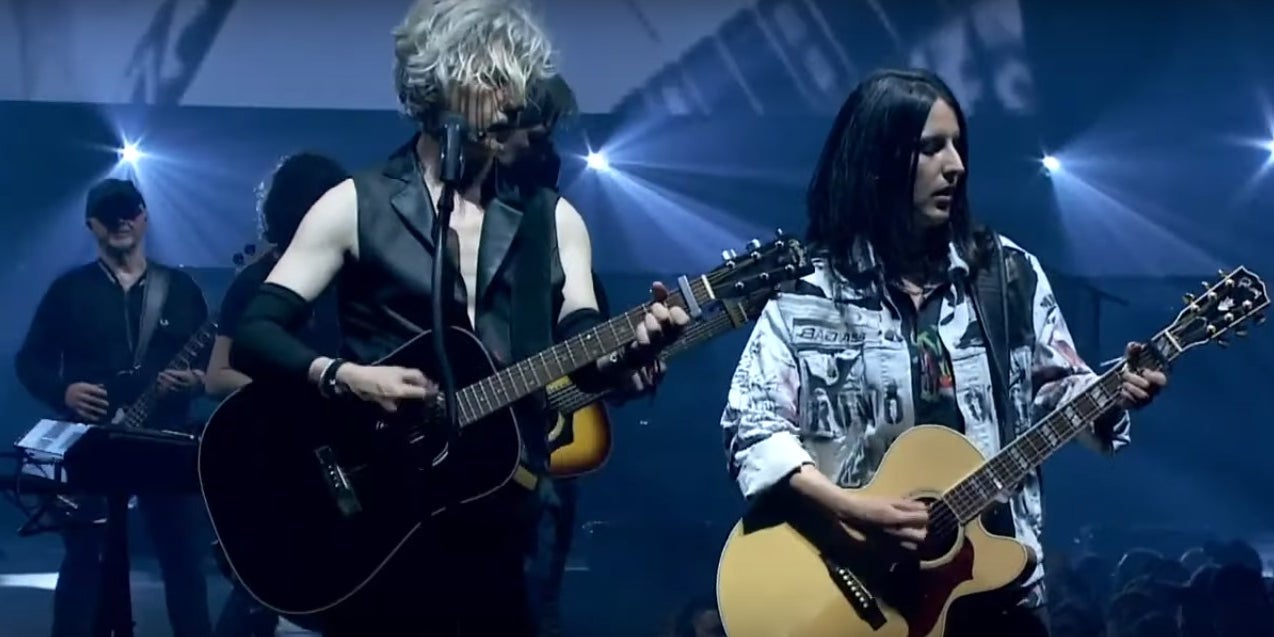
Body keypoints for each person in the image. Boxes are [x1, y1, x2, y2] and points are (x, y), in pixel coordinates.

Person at [228, 1, 689, 634]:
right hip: (380, 518)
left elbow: (582, 334)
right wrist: (345, 376)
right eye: (494, 80)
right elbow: (254, 335)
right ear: (439, 84)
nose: (513, 101)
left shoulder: (552, 219)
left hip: (507, 525)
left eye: (517, 81)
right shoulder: (354, 204)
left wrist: (627, 359)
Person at [718, 68, 1168, 637]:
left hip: (998, 595)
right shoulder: (808, 293)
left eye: (958, 145)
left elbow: (1060, 388)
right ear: (879, 160)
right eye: (931, 148)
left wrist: (1112, 395)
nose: (955, 165)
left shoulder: (1007, 275)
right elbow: (752, 427)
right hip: (857, 598)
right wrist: (854, 510)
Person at [14, 177, 212, 637]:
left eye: (129, 211)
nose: (121, 221)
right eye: (109, 215)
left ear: (145, 217)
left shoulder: (181, 288)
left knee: (183, 561)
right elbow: (30, 361)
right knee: (84, 560)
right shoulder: (69, 290)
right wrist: (64, 391)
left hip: (165, 443)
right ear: (91, 224)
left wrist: (197, 382)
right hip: (93, 446)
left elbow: (213, 359)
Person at [205, 152, 349, 637]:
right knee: (267, 585)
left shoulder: (356, 279)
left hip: (350, 449)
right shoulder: (254, 282)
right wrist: (301, 385)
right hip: (276, 454)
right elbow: (217, 376)